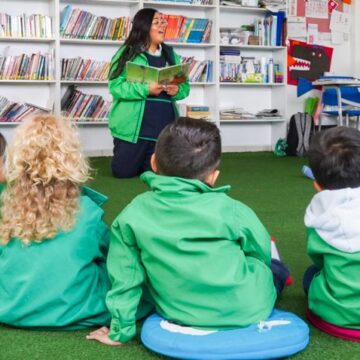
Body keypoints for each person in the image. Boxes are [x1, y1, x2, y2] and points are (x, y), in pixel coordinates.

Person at [87, 117, 289, 345]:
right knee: (274, 267)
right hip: (251, 306)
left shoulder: (132, 214)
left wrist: (119, 331)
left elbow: (125, 277)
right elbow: (259, 251)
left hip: (179, 311)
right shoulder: (233, 209)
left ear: (153, 162)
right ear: (213, 176)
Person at [0, 115, 111, 329]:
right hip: (73, 311)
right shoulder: (87, 212)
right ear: (73, 159)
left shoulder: (7, 206)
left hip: (10, 308)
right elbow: (111, 258)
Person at [108, 8, 190, 178]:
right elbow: (115, 87)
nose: (163, 25)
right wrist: (146, 89)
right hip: (133, 129)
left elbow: (185, 88)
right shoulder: (127, 53)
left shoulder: (171, 54)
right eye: (157, 22)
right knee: (123, 173)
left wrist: (176, 90)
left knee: (155, 174)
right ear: (144, 27)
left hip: (163, 128)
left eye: (163, 21)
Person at [303, 126, 360, 329]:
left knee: (311, 275)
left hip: (337, 312)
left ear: (317, 185)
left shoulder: (319, 216)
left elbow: (318, 260)